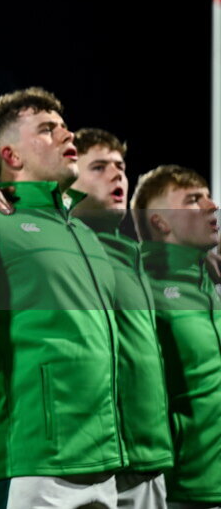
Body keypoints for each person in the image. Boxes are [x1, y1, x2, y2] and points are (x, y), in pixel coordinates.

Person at [0, 88, 124, 509]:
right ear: (12, 156)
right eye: (46, 129)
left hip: (102, 458)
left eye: (64, 126)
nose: (66, 134)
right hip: (25, 459)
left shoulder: (85, 235)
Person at [70, 129, 173, 508]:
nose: (117, 175)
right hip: (90, 459)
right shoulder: (61, 245)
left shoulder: (133, 256)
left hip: (148, 458)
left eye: (120, 166)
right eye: (99, 167)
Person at [132, 165, 221, 508]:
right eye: (193, 200)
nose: (212, 206)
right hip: (182, 491)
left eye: (208, 196)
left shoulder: (210, 285)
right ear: (160, 222)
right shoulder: (140, 288)